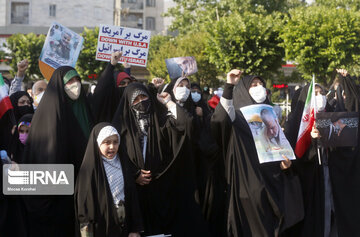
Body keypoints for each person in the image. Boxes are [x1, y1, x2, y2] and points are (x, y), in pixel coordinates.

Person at [211, 70, 304, 236]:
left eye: (261, 84)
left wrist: (287, 164)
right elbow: (223, 115)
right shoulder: (237, 116)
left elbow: (279, 147)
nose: (258, 87)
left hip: (273, 185)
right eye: (253, 85)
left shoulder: (271, 114)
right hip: (248, 185)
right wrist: (229, 85)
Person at [112, 82, 210, 236]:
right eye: (135, 100)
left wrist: (168, 102)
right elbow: (115, 156)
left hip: (161, 190)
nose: (141, 102)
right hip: (134, 193)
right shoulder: (121, 128)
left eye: (144, 96)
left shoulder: (161, 121)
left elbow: (186, 124)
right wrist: (134, 174)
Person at [22, 66, 93, 237]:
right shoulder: (48, 115)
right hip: (54, 197)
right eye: (69, 81)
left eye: (77, 80)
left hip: (81, 192)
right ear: (59, 85)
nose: (75, 85)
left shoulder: (84, 110)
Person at [75, 123, 143, 237]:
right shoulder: (89, 170)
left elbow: (132, 197)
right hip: (101, 229)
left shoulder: (124, 164)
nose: (112, 147)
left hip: (124, 228)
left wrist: (135, 229)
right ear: (98, 143)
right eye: (107, 142)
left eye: (115, 142)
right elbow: (84, 210)